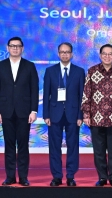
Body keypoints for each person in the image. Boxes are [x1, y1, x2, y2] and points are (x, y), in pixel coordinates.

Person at [0, 37, 38, 186]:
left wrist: (33, 110)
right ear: (7, 48)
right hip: (6, 112)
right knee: (9, 145)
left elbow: (34, 90)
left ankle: (23, 177)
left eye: (18, 46)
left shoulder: (29, 66)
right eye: (12, 46)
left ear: (22, 48)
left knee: (23, 145)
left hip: (25, 112)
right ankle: (10, 176)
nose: (15, 48)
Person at [81, 44, 112, 187]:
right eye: (104, 54)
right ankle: (102, 177)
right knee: (99, 150)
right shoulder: (92, 71)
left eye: (110, 54)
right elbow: (86, 94)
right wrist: (86, 114)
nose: (107, 56)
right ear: (100, 55)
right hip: (96, 118)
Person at [43, 42, 85, 186]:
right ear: (58, 53)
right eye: (62, 52)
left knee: (73, 146)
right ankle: (56, 176)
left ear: (72, 54)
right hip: (54, 114)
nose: (65, 54)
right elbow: (46, 94)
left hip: (73, 114)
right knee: (54, 146)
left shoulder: (79, 71)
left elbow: (82, 96)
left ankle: (71, 176)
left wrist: (81, 115)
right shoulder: (50, 71)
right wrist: (46, 115)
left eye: (67, 52)